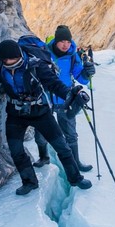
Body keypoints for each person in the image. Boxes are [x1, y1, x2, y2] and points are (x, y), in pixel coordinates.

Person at [0, 21, 92, 195]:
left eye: (13, 60)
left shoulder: (37, 65)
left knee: (62, 147)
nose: (9, 63)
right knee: (16, 150)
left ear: (20, 55)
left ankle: (76, 178)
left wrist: (72, 94)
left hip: (40, 110)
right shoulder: (0, 56)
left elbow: (55, 84)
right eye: (6, 61)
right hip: (16, 112)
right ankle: (29, 182)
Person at [32, 25, 96, 172]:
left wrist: (88, 72)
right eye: (62, 41)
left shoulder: (73, 55)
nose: (65, 45)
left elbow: (82, 78)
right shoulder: (44, 53)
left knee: (70, 134)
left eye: (68, 41)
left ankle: (76, 162)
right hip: (46, 98)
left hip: (65, 98)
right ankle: (44, 157)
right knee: (41, 132)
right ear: (56, 41)